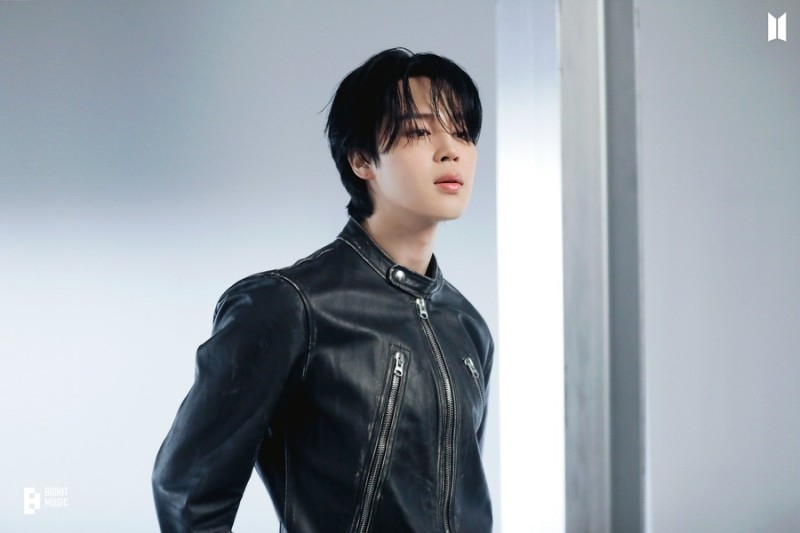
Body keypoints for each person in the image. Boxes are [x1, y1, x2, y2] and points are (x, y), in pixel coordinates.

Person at [152, 47, 493, 533]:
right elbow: (188, 491)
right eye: (419, 132)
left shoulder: (466, 326)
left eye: (462, 132)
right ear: (362, 160)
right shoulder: (290, 306)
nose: (450, 150)